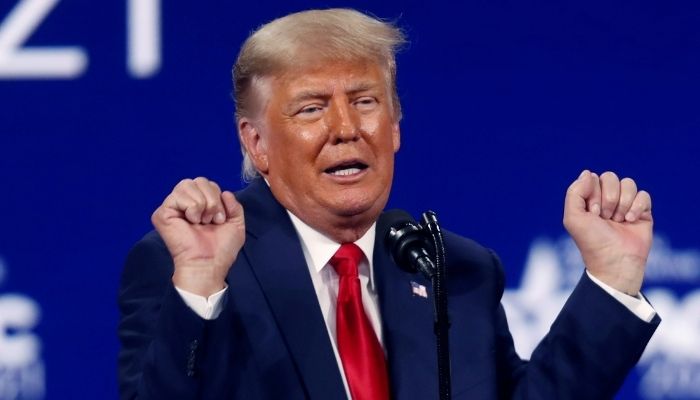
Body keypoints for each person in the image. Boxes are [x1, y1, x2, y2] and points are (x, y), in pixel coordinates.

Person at [117, 8, 660, 400]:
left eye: (365, 101)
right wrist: (199, 287)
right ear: (256, 143)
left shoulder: (450, 267)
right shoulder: (198, 266)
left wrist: (611, 280)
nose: (346, 129)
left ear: (396, 126)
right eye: (311, 109)